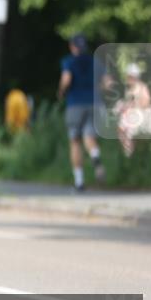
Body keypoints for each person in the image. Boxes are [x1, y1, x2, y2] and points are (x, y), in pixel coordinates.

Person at [57, 33, 103, 191]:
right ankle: (95, 156)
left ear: (72, 46)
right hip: (94, 104)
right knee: (89, 136)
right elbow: (107, 82)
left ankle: (79, 182)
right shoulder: (94, 61)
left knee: (75, 141)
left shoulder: (69, 61)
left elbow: (66, 79)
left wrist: (61, 91)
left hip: (75, 104)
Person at [114, 63, 151, 157]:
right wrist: (124, 106)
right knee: (121, 127)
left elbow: (146, 103)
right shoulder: (129, 89)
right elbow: (129, 102)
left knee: (127, 126)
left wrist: (133, 105)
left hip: (142, 115)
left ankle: (130, 152)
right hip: (133, 115)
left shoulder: (142, 87)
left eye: (129, 76)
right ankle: (128, 151)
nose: (128, 79)